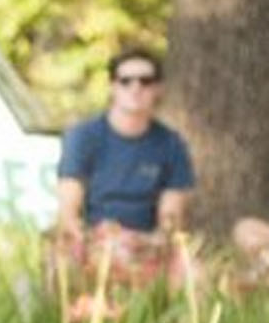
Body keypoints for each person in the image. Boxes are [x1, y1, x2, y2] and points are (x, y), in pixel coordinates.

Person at [50, 48, 196, 265]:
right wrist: (92, 239)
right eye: (126, 81)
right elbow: (69, 208)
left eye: (145, 81)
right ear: (112, 87)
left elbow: (171, 217)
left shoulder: (171, 143)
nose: (135, 88)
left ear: (158, 89)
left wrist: (151, 242)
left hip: (147, 245)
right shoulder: (82, 136)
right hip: (93, 240)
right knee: (60, 260)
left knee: (195, 272)